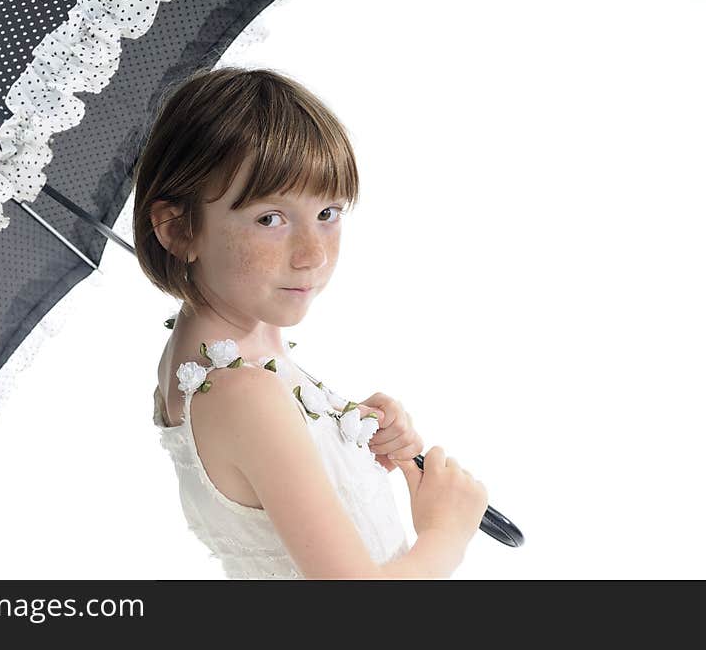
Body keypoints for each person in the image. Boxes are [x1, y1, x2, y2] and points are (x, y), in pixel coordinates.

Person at [133, 66, 488, 579]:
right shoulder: (240, 391)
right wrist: (444, 534)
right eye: (270, 218)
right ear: (177, 226)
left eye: (329, 213)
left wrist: (346, 436)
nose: (312, 255)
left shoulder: (242, 344)